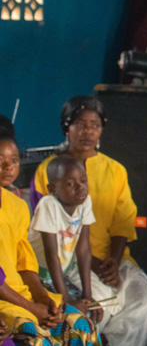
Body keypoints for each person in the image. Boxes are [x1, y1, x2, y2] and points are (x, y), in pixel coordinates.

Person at [32, 97, 147, 346]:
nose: (88, 131)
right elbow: (54, 240)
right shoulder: (49, 170)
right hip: (72, 266)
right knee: (95, 312)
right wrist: (95, 267)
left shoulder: (115, 170)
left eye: (95, 125)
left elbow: (124, 221)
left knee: (143, 302)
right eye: (80, 124)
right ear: (67, 127)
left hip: (114, 261)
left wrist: (114, 261)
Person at [0, 134, 100, 346]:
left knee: (83, 327)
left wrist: (42, 297)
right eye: (0, 160)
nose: (7, 166)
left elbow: (25, 264)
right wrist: (31, 307)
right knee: (36, 338)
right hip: (4, 301)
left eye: (14, 160)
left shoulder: (17, 206)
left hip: (23, 294)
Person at [28, 155, 104, 325]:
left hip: (57, 274)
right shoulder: (48, 205)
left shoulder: (85, 202)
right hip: (36, 274)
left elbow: (83, 249)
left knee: (89, 311)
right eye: (70, 184)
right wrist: (66, 298)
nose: (80, 187)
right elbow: (51, 254)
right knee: (67, 316)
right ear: (52, 189)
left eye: (83, 181)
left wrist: (87, 295)